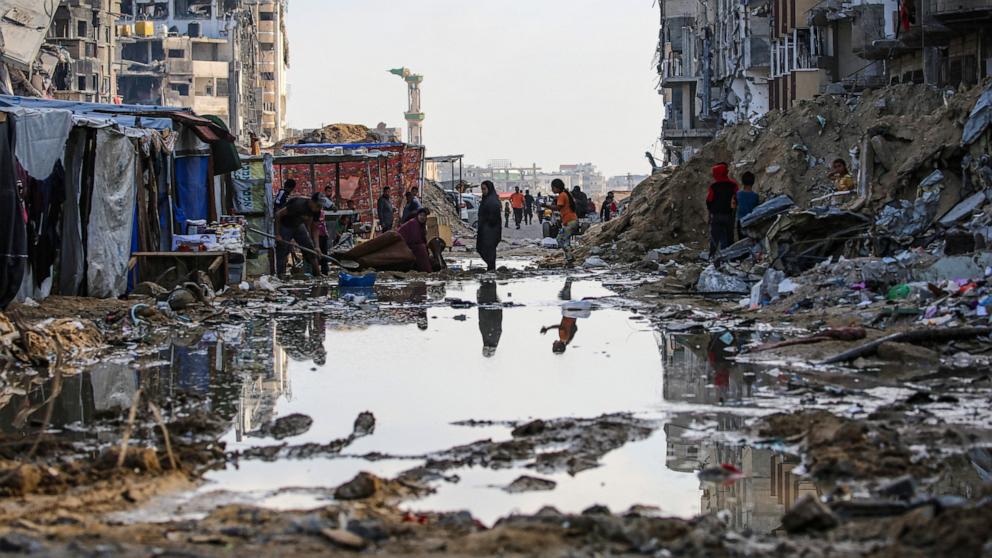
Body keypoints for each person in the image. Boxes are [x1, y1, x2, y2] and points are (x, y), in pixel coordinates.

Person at [275, 193, 324, 276]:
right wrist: (277, 234)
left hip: (298, 225)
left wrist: (317, 246)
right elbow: (278, 214)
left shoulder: (317, 210)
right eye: (317, 206)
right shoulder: (298, 204)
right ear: (311, 201)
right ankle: (280, 275)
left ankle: (318, 274)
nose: (318, 208)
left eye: (320, 206)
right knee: (282, 250)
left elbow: (315, 228)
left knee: (311, 249)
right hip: (285, 225)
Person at [706, 162, 739, 257]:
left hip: (716, 216)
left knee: (715, 237)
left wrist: (710, 213)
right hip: (729, 215)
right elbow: (737, 199)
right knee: (729, 237)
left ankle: (711, 257)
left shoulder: (713, 186)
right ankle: (729, 257)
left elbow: (709, 200)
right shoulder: (733, 185)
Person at [396, 207, 433, 272]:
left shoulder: (421, 225)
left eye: (424, 216)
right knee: (421, 248)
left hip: (410, 243)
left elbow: (422, 238)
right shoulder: (414, 223)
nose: (422, 217)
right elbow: (415, 239)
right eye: (420, 215)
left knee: (424, 247)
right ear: (417, 216)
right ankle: (426, 270)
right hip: (401, 244)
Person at [476, 180, 502, 271]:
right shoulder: (486, 199)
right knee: (482, 249)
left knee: (489, 250)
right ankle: (490, 268)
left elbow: (494, 217)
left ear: (489, 189)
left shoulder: (492, 201)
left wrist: (487, 222)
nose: (483, 191)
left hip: (491, 231)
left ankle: (491, 269)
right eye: (482, 189)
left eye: (484, 189)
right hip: (485, 230)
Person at [552, 179, 579, 265]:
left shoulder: (562, 195)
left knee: (560, 239)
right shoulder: (565, 194)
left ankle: (570, 257)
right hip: (571, 221)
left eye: (553, 187)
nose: (552, 189)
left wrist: (546, 205)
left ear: (557, 187)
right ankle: (570, 258)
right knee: (565, 240)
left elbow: (558, 208)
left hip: (570, 222)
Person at [477, 279, 503, 357]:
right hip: (488, 310)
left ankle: (487, 282)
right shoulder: (491, 339)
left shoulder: (491, 339)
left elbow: (497, 327)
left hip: (489, 310)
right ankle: (487, 282)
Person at [735, 172, 760, 238]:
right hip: (751, 222)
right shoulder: (755, 196)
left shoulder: (738, 194)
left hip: (740, 222)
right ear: (753, 182)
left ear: (743, 182)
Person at [317, 186, 335, 275]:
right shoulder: (322, 203)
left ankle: (324, 270)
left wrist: (325, 233)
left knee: (324, 250)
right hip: (318, 233)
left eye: (331, 191)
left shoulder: (322, 210)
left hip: (323, 232)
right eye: (328, 191)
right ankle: (319, 269)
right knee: (319, 250)